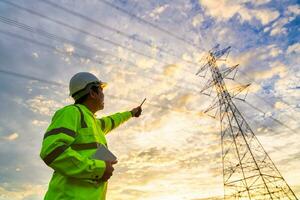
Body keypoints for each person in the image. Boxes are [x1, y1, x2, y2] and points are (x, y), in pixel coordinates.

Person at [40, 72, 142, 200]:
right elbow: (51, 150)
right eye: (101, 90)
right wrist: (98, 169)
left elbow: (113, 120)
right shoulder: (71, 112)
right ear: (93, 92)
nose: (103, 95)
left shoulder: (94, 123)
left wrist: (131, 113)